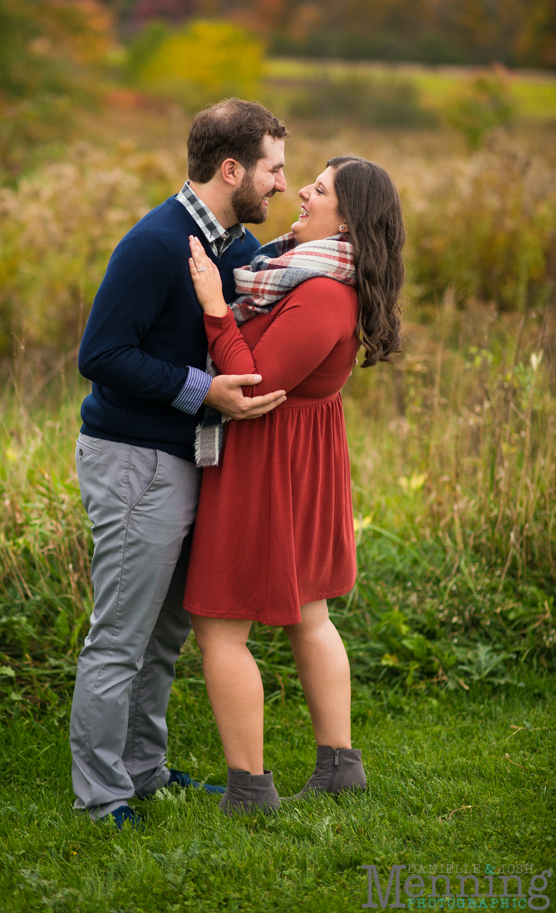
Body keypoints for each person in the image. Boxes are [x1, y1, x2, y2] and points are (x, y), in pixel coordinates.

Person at [70, 99, 290, 828]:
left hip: (184, 459)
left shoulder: (229, 243)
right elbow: (99, 356)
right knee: (121, 638)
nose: (280, 186)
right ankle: (102, 800)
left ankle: (143, 770)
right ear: (231, 170)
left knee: (163, 636)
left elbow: (269, 286)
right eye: (272, 170)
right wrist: (205, 392)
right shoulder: (155, 244)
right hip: (134, 462)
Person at [183, 155, 405, 813]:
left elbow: (252, 382)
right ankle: (339, 767)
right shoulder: (309, 273)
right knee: (309, 615)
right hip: (299, 462)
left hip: (269, 465)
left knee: (221, 625)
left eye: (321, 189)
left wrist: (215, 309)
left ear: (349, 215)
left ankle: (250, 789)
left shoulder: (320, 292)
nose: (302, 192)